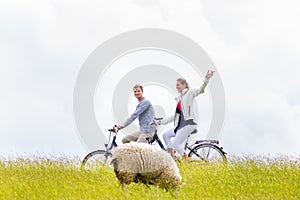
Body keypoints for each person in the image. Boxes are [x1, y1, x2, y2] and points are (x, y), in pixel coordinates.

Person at [161, 70, 215, 159]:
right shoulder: (180, 100)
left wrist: (206, 78)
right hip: (180, 126)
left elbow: (201, 90)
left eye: (178, 85)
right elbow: (175, 116)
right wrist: (161, 122)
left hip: (189, 124)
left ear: (184, 85)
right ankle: (172, 158)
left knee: (175, 143)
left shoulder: (190, 93)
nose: (176, 87)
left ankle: (187, 162)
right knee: (165, 135)